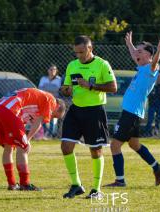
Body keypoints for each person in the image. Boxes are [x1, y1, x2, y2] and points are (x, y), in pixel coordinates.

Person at [104, 31, 160, 187]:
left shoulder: (152, 68)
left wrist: (159, 50)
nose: (136, 54)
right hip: (132, 113)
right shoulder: (142, 67)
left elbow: (155, 62)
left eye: (140, 51)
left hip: (131, 114)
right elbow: (135, 55)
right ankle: (157, 167)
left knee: (115, 145)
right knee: (134, 144)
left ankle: (120, 180)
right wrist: (129, 44)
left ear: (149, 55)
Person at [60, 35, 117, 199]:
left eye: (82, 52)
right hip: (76, 110)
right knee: (66, 146)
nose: (79, 55)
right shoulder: (72, 65)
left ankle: (96, 189)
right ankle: (76, 185)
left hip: (94, 111)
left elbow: (113, 87)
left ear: (90, 49)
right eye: (76, 52)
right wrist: (66, 90)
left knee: (95, 150)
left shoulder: (102, 64)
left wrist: (91, 86)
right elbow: (64, 87)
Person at [0, 88, 66, 191]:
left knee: (9, 147)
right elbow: (39, 122)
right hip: (10, 109)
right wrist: (28, 139)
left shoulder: (37, 103)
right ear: (57, 108)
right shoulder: (51, 100)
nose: (50, 118)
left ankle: (12, 184)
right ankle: (25, 184)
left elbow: (24, 120)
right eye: (54, 116)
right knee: (23, 147)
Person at [38, 65, 62, 138]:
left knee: (53, 118)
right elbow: (40, 89)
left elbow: (57, 90)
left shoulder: (59, 79)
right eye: (51, 69)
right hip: (44, 101)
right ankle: (45, 133)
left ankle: (51, 134)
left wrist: (46, 88)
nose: (52, 71)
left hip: (55, 101)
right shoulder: (43, 79)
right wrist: (52, 88)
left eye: (54, 70)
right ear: (48, 70)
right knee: (44, 117)